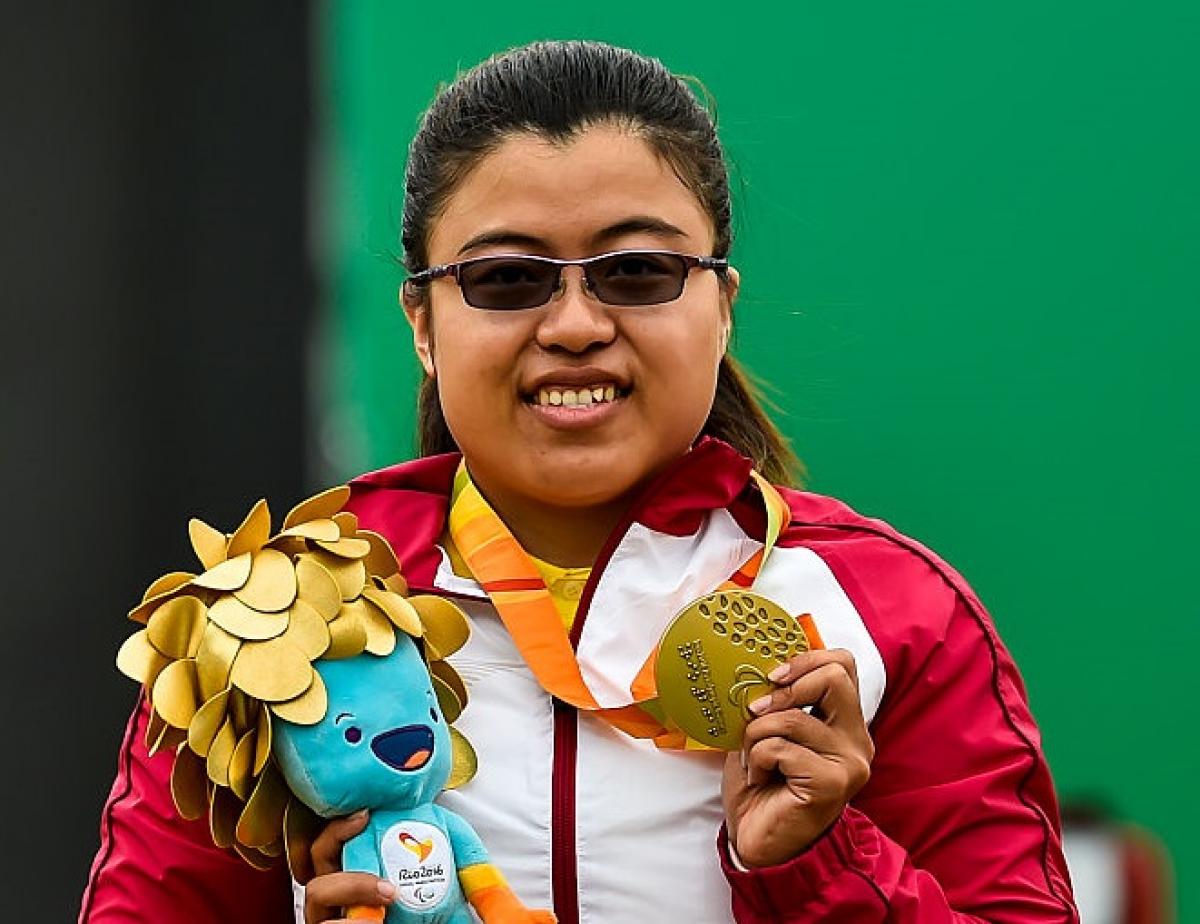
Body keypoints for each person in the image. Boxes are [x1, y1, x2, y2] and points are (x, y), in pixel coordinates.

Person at [81, 41, 1078, 923]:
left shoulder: (893, 613)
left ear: (721, 305)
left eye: (637, 272)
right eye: (507, 279)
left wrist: (822, 868)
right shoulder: (282, 610)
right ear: (423, 324)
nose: (573, 324)